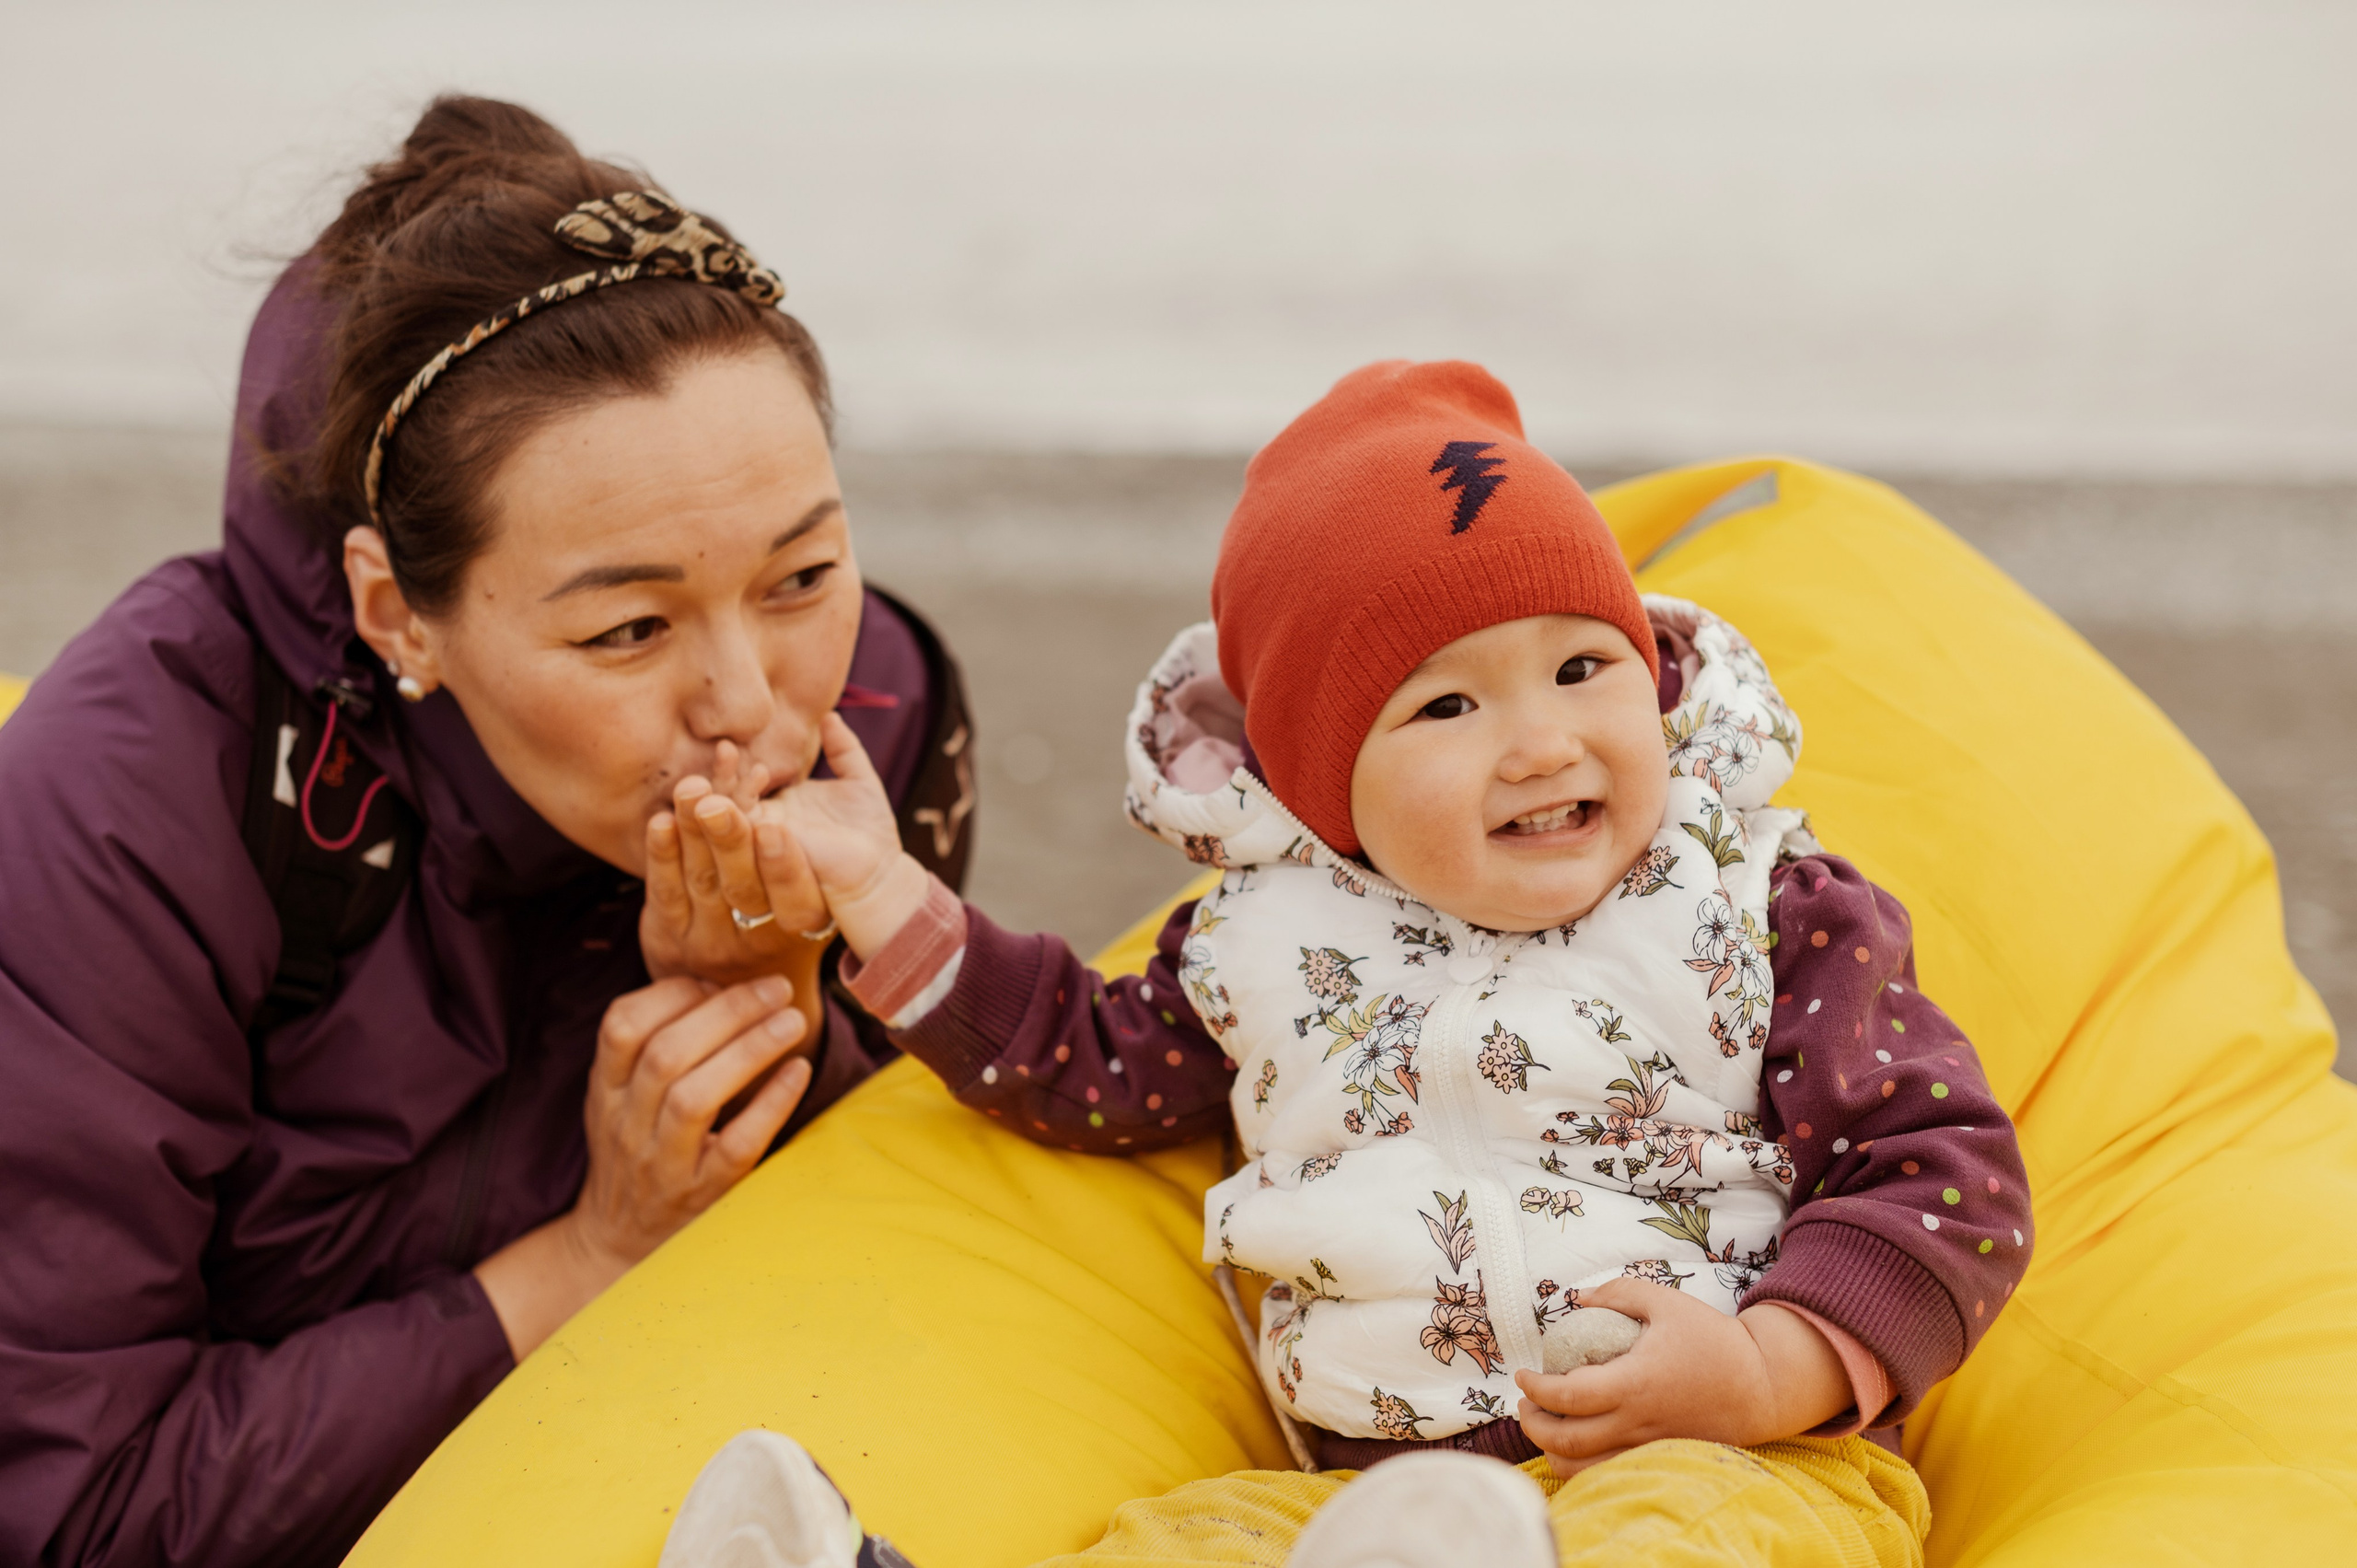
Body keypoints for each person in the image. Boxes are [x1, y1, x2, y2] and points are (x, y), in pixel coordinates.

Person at [662, 360, 2035, 1566]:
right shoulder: (1264, 944)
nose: (1544, 741)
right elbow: (1073, 1058)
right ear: (1324, 785)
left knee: (1688, 1547)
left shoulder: (1759, 903)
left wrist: (1762, 1370)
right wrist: (874, 883)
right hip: (1364, 1497)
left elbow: (1941, 1174)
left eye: (1581, 667)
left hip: (1730, 1457)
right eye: (1446, 704)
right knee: (1180, 1544)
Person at [0, 98, 977, 1567]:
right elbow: (75, 1510)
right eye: (630, 627)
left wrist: (784, 1015)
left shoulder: (878, 709)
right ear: (400, 612)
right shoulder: (139, 797)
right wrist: (597, 1254)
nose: (745, 704)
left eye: (801, 575)